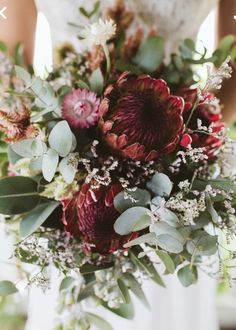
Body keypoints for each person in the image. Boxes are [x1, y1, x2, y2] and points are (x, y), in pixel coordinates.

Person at [0, 1, 235, 330]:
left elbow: (233, 59)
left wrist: (185, 145)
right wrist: (60, 153)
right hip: (69, 190)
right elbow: (8, 64)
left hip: (178, 192)